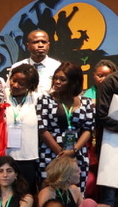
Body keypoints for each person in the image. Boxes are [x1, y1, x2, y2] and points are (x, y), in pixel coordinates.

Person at [37, 60, 94, 191]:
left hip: (77, 154)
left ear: (73, 82)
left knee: (76, 193)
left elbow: (88, 129)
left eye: (62, 79)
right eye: (55, 78)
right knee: (50, 193)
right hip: (50, 154)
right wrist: (61, 153)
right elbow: (42, 129)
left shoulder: (86, 102)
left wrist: (73, 151)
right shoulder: (45, 100)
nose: (57, 82)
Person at [6, 64, 42, 191]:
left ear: (31, 86)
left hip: (28, 157)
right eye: (14, 80)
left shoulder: (38, 99)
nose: (15, 85)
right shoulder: (1, 96)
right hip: (5, 156)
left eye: (21, 84)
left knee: (26, 195)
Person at [12, 29, 60, 94]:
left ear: (48, 45)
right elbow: (9, 90)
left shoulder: (57, 67)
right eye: (36, 42)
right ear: (28, 46)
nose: (40, 45)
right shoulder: (17, 67)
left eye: (44, 42)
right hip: (24, 103)